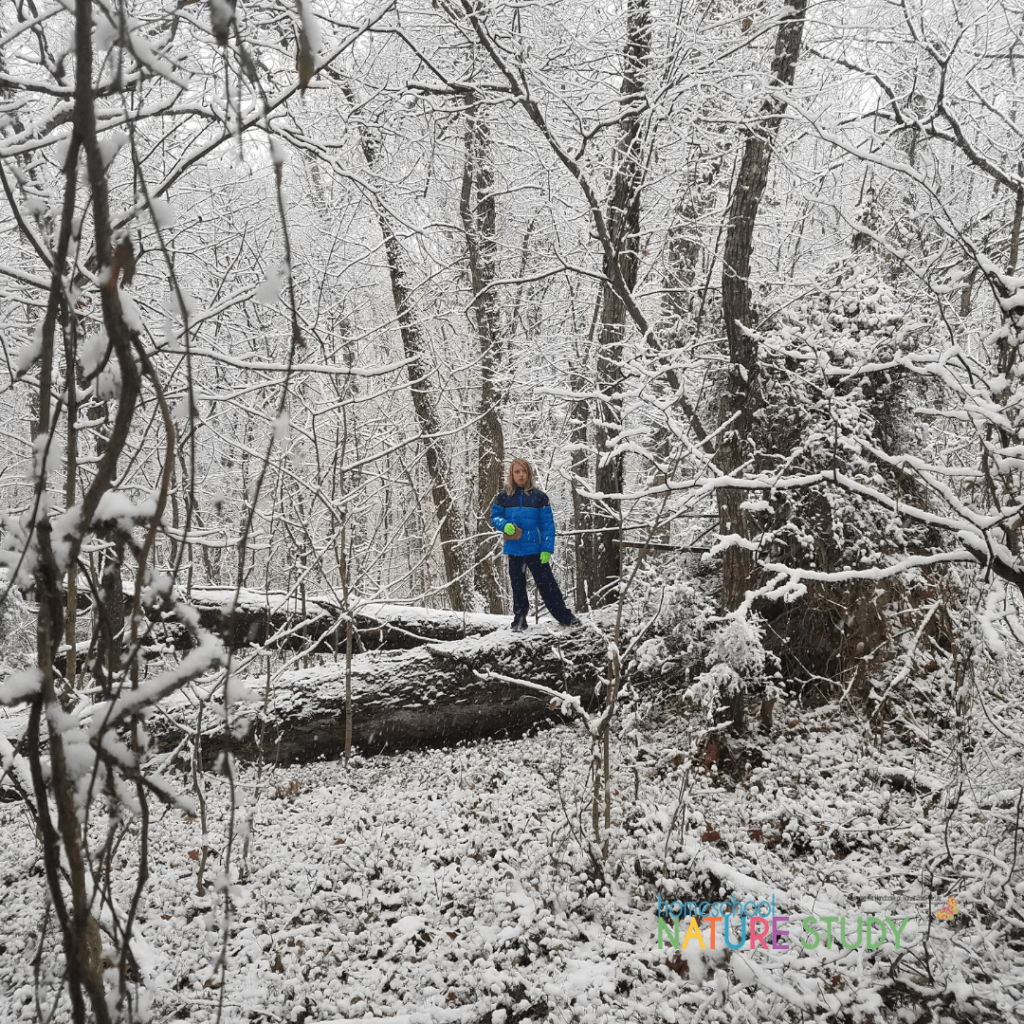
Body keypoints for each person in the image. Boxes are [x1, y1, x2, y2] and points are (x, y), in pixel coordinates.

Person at [490, 458, 582, 631]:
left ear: (529, 473)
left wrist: (547, 547)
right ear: (512, 474)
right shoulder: (503, 497)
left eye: (524, 471)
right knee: (517, 587)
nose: (521, 475)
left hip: (536, 549)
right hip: (514, 549)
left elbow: (548, 525)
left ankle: (564, 616)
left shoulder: (540, 497)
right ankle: (519, 620)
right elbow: (495, 517)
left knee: (548, 586)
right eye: (517, 471)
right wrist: (503, 524)